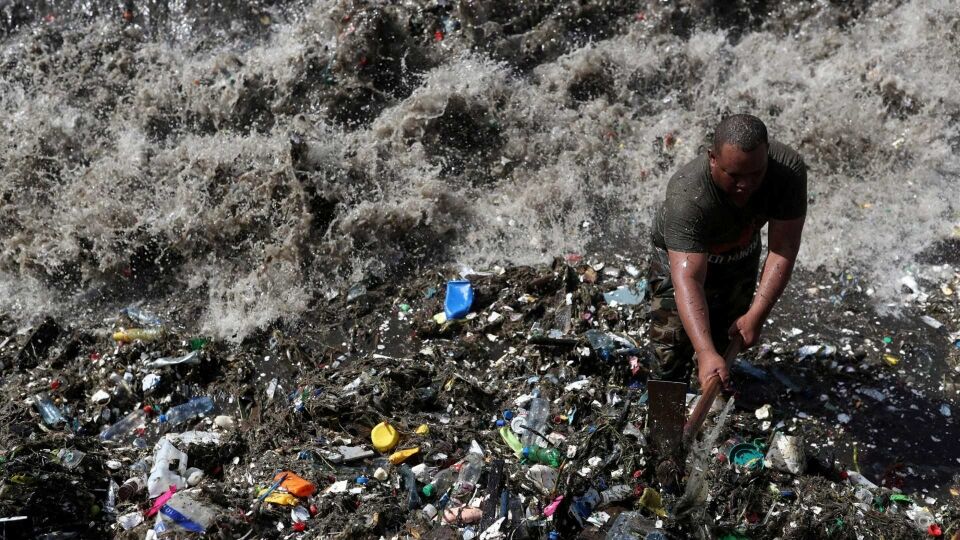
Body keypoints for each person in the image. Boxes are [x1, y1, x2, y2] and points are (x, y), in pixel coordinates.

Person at [647, 114, 807, 391]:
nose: (745, 185)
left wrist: (757, 314)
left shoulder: (787, 172)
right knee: (671, 346)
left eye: (755, 174)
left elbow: (783, 248)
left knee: (729, 333)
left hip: (739, 251)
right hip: (683, 257)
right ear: (712, 158)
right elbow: (689, 280)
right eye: (733, 175)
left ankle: (712, 400)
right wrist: (704, 351)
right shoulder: (688, 196)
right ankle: (666, 423)